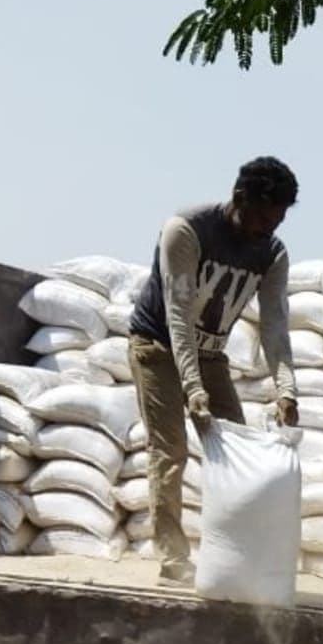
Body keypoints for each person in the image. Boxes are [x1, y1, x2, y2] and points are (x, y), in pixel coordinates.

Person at [129, 156, 299, 586]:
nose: (268, 228)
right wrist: (193, 389)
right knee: (170, 451)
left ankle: (234, 556)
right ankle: (174, 560)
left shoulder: (273, 252)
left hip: (210, 355)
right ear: (238, 197)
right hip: (158, 345)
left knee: (237, 452)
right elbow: (179, 316)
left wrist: (286, 390)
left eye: (277, 220)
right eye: (262, 216)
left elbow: (275, 323)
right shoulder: (186, 231)